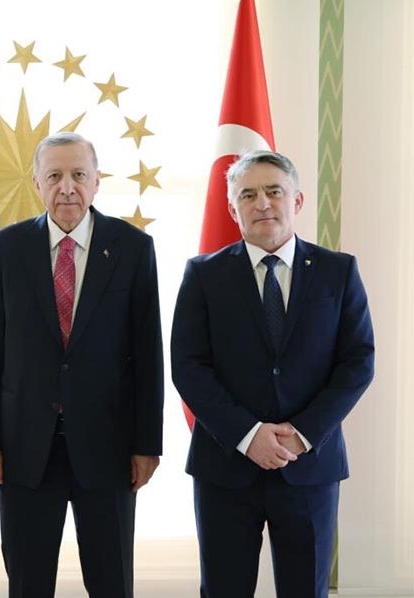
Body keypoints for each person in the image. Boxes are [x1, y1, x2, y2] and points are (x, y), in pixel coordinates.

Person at [171, 150, 375, 598]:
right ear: (233, 209)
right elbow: (188, 366)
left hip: (309, 466)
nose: (262, 203)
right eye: (248, 195)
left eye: (273, 191)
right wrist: (248, 435)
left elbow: (358, 361)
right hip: (225, 466)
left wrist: (301, 434)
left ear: (296, 200)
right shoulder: (203, 275)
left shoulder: (338, 271)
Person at [0, 132, 164, 598]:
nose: (67, 187)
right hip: (26, 447)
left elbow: (148, 355)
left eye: (78, 174)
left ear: (97, 181)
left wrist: (147, 444)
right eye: (54, 176)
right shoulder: (8, 247)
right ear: (37, 183)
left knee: (111, 582)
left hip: (109, 447)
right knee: (28, 583)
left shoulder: (133, 248)